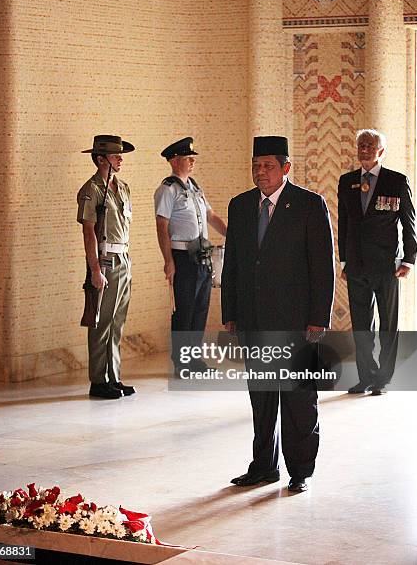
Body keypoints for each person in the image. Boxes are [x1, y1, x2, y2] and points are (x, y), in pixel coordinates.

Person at [221, 135, 335, 492]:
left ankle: (300, 471)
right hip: (254, 321)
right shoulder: (240, 206)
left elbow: (322, 267)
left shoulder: (308, 205)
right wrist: (231, 314)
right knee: (262, 396)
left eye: (268, 165)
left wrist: (319, 319)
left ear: (286, 168)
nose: (261, 172)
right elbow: (233, 265)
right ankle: (263, 467)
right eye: (256, 165)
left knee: (299, 400)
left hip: (298, 323)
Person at [338, 129, 417, 396]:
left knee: (388, 325)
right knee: (361, 325)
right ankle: (365, 377)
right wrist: (344, 260)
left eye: (370, 145)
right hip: (357, 265)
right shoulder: (347, 181)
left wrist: (409, 259)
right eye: (361, 144)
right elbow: (344, 223)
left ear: (380, 150)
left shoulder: (396, 180)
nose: (364, 149)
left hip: (388, 266)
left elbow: (409, 223)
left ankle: (383, 379)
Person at [154, 137, 227, 376]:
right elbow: (162, 226)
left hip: (201, 256)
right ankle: (181, 363)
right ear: (175, 161)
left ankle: (195, 361)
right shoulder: (167, 189)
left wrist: (233, 235)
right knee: (183, 312)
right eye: (188, 158)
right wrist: (168, 262)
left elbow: (211, 215)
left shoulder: (195, 187)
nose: (192, 162)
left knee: (199, 310)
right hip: (182, 256)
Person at [77, 134, 136, 399]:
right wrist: (95, 270)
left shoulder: (121, 187)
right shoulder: (92, 190)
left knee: (117, 322)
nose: (120, 159)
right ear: (101, 160)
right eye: (115, 156)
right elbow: (89, 232)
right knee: (101, 321)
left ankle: (114, 376)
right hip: (105, 260)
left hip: (123, 258)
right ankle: (98, 380)